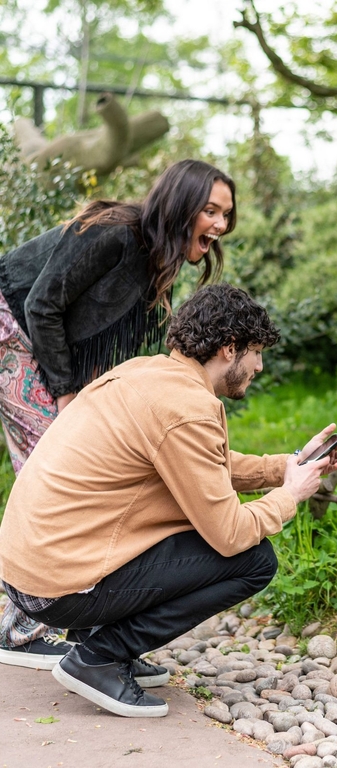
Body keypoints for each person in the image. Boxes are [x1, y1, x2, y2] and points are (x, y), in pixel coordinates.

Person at [0, 283, 337, 717]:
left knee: (203, 527)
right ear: (228, 348)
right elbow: (230, 535)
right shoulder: (185, 407)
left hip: (30, 574)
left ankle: (101, 645)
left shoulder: (148, 374)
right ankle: (99, 657)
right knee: (254, 559)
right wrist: (289, 495)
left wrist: (289, 464)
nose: (259, 365)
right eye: (256, 351)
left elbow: (205, 465)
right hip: (58, 588)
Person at [0, 158, 238, 669]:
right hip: (13, 331)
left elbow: (146, 354)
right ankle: (19, 629)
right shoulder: (115, 235)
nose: (220, 226)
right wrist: (66, 394)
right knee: (56, 455)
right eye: (211, 211)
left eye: (226, 215)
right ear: (181, 205)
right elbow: (43, 304)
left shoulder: (162, 262)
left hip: (46, 344)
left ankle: (84, 628)